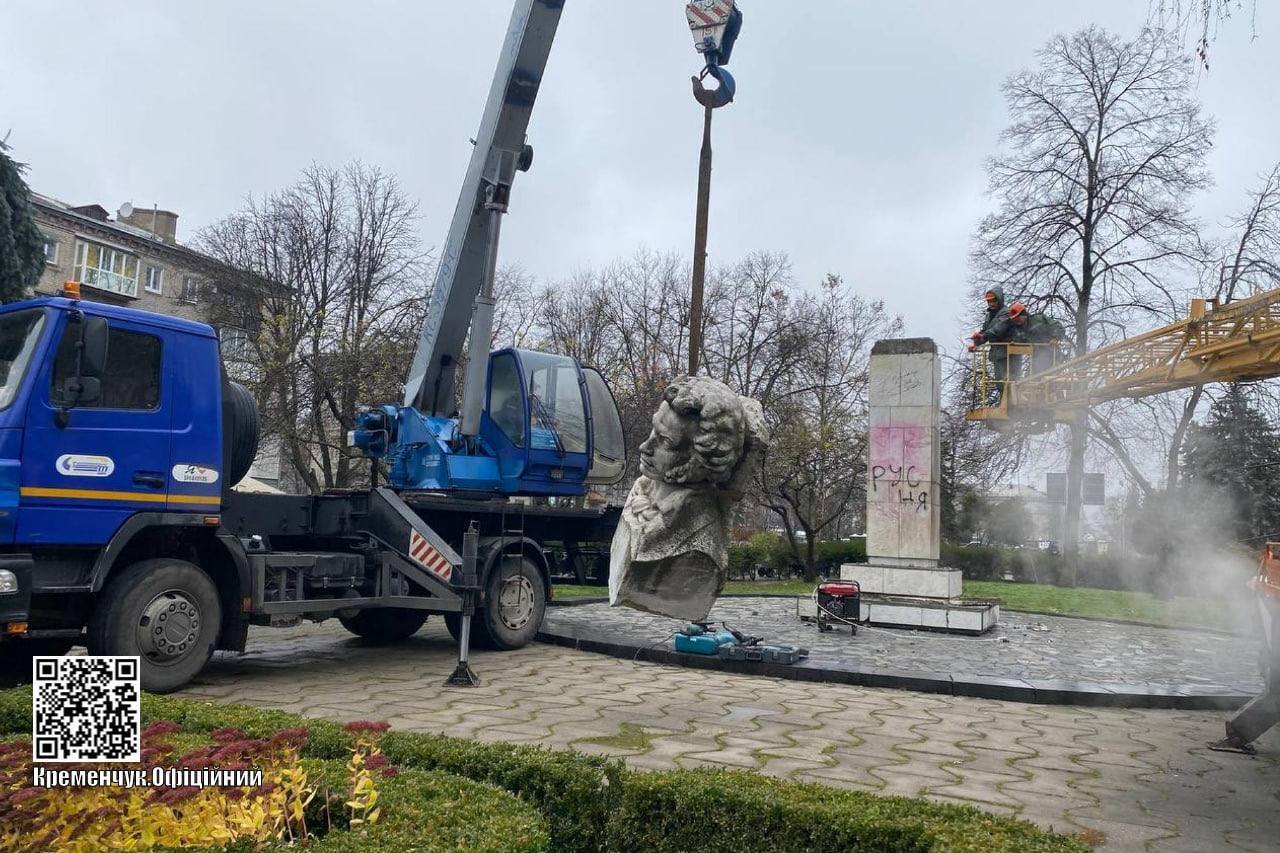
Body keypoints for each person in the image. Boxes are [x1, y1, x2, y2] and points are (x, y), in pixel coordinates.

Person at [968, 287, 1020, 403]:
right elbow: (985, 331)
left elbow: (998, 329)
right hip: (997, 354)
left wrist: (983, 336)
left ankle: (1012, 403)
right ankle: (1005, 402)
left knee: (1011, 380)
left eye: (993, 300)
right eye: (989, 301)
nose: (991, 303)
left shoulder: (1007, 313)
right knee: (1000, 382)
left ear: (999, 300)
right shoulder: (989, 316)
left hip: (1010, 354)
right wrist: (976, 343)